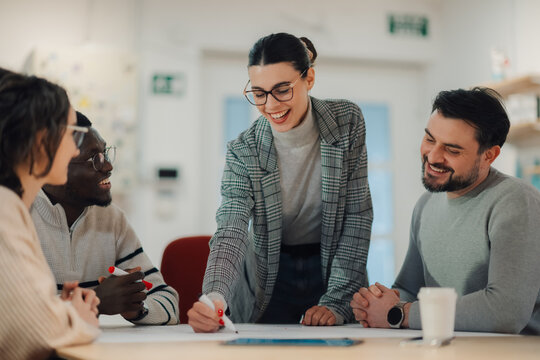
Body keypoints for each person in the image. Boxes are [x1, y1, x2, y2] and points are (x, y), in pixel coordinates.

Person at [188, 33, 373, 332]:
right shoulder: (244, 150)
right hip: (270, 273)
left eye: (282, 90)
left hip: (333, 266)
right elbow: (231, 227)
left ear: (309, 78)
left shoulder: (346, 121)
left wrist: (337, 300)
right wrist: (214, 296)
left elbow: (357, 215)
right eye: (259, 93)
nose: (270, 105)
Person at [350, 87, 540, 334]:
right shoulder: (426, 205)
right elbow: (410, 288)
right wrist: (374, 303)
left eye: (452, 150)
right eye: (430, 139)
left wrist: (398, 313)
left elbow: (505, 311)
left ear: (489, 156)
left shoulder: (516, 201)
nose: (433, 156)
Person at [31, 112, 179, 325]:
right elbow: (13, 316)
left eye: (105, 153)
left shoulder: (111, 218)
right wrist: (96, 302)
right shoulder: (16, 216)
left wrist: (138, 306)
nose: (108, 166)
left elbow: (169, 302)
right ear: (52, 167)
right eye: (94, 159)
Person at [0, 69, 100, 359]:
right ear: (42, 138)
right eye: (72, 134)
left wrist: (57, 309)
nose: (73, 151)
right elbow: (38, 331)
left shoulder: (14, 205)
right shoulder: (4, 207)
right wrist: (76, 319)